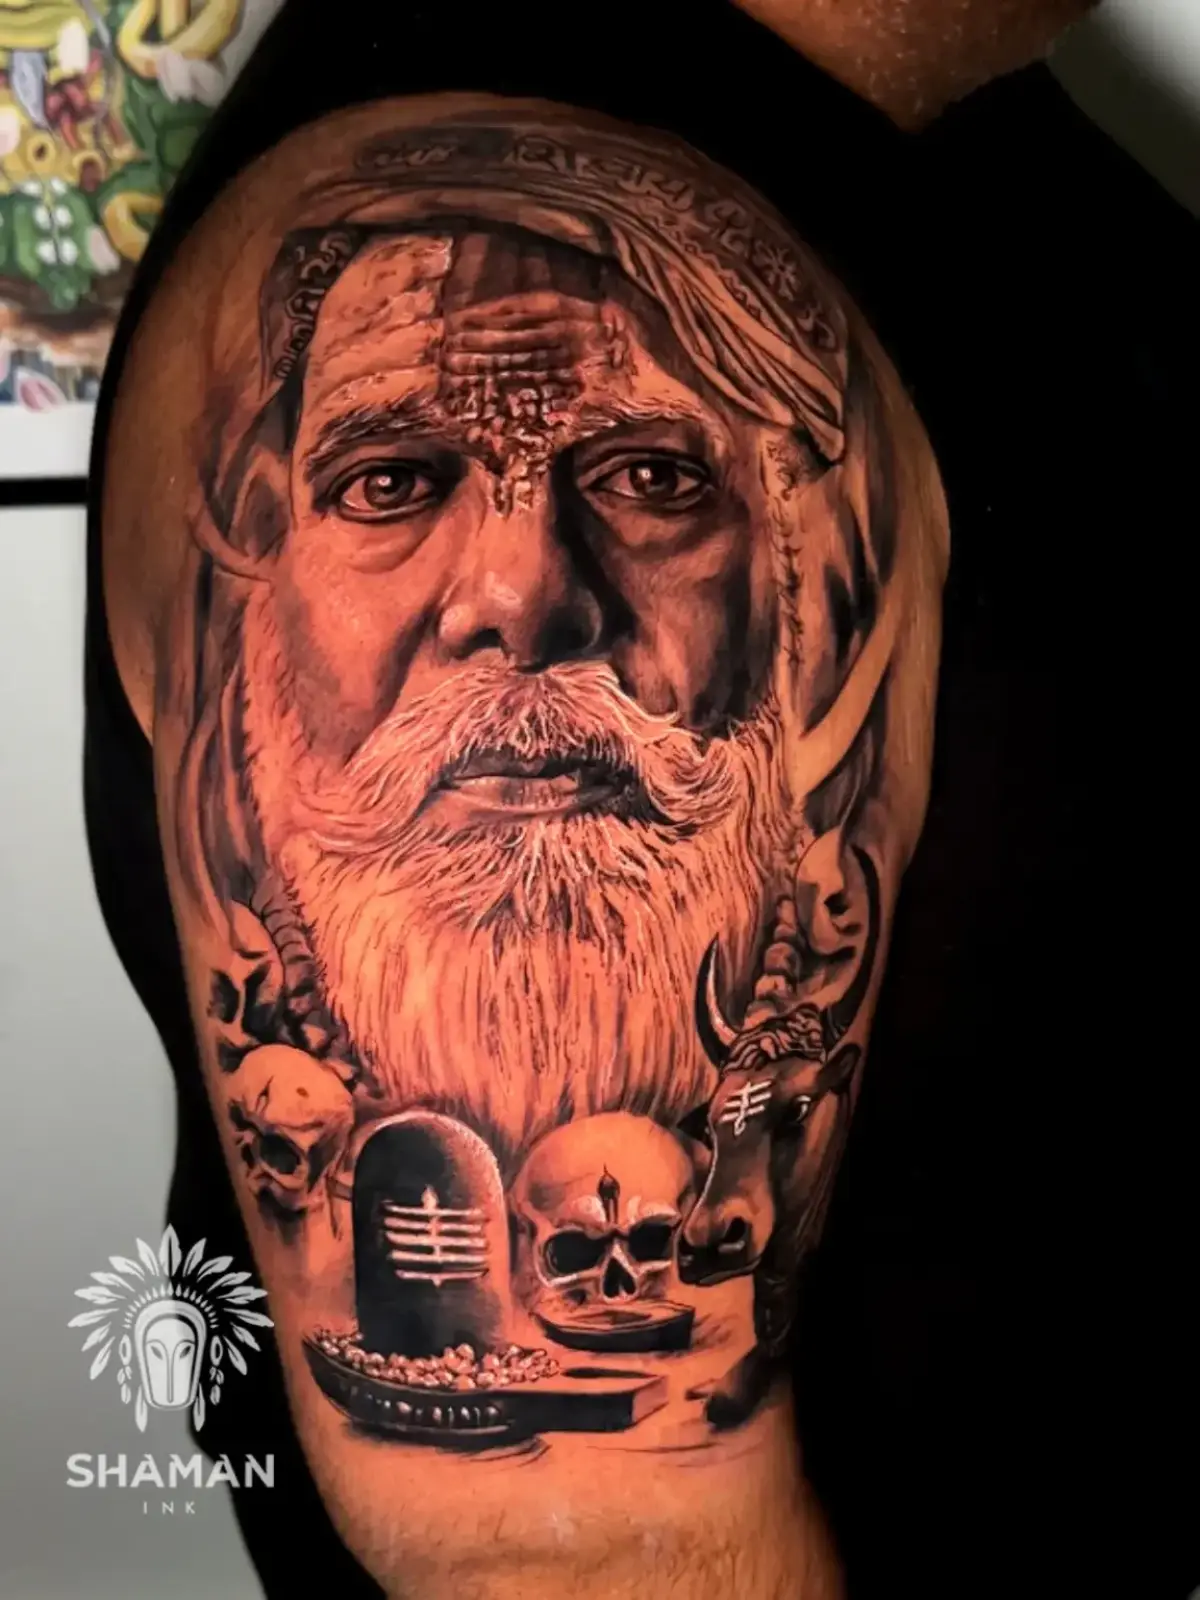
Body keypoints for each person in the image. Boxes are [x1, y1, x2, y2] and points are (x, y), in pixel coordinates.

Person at [87, 2, 1187, 1595]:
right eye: (394, 482)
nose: (523, 596)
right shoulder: (509, 166)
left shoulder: (995, 154)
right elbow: (587, 1560)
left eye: (653, 477)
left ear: (802, 594)